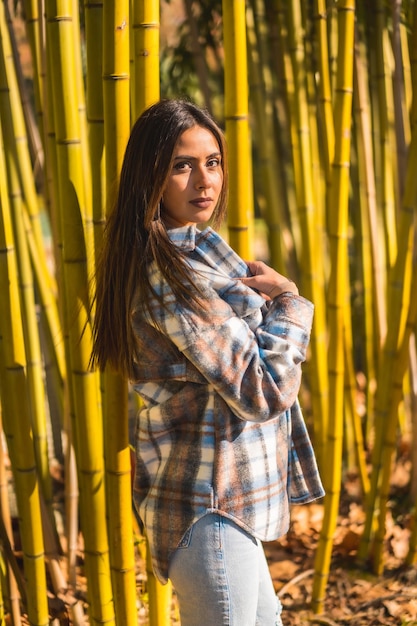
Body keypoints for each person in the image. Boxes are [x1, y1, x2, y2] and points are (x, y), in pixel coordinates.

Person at [90, 98, 324, 626]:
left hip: (223, 507)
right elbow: (261, 392)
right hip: (208, 506)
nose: (204, 180)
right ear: (150, 177)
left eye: (212, 162)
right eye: (181, 165)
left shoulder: (199, 260)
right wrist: (290, 303)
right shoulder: (174, 282)